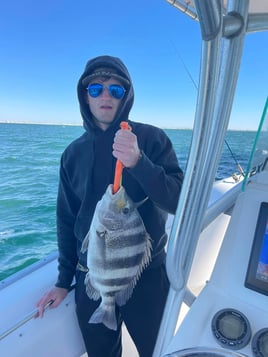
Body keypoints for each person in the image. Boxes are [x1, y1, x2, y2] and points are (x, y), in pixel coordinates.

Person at [37, 55, 184, 357]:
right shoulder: (72, 154)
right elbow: (66, 219)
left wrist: (139, 163)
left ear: (126, 96)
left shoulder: (152, 139)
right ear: (85, 96)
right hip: (91, 275)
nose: (106, 95)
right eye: (97, 89)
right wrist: (63, 281)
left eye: (115, 90)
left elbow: (179, 199)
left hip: (148, 277)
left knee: (161, 352)